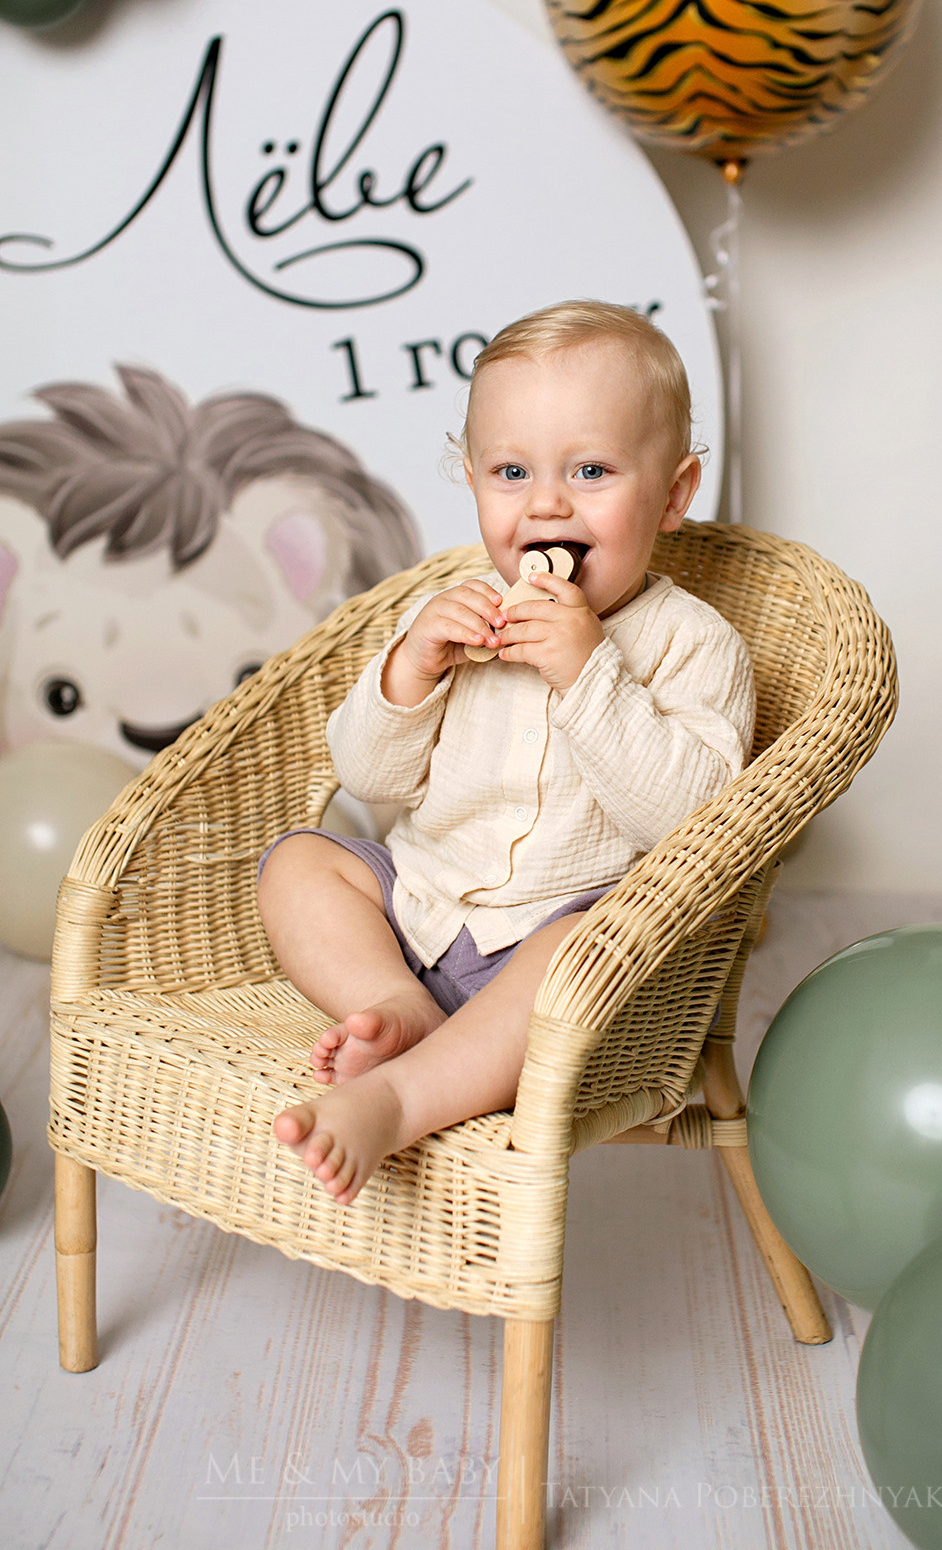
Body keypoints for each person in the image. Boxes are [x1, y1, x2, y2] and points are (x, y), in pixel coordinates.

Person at [261, 299, 756, 1203]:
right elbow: (369, 779)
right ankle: (399, 1004)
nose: (546, 503)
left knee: (570, 952)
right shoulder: (452, 610)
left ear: (676, 494)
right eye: (512, 471)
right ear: (474, 480)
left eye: (592, 470)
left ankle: (399, 1099)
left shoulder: (695, 644)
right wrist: (411, 669)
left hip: (553, 945)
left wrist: (587, 673)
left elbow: (696, 824)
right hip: (420, 904)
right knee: (297, 862)